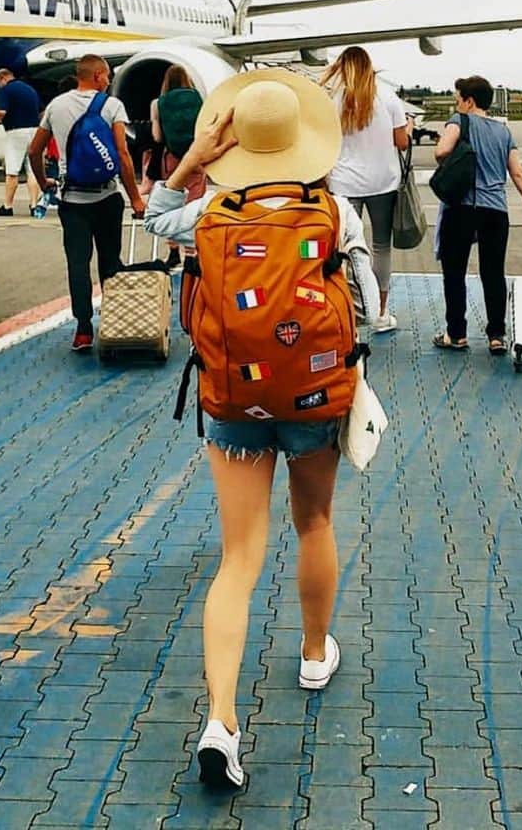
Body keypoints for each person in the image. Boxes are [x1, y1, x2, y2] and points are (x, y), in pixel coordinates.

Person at [143, 69, 379, 789]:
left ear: (234, 141)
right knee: (313, 523)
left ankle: (221, 721)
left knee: (238, 559)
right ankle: (313, 653)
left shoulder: (208, 213)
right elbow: (367, 301)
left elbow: (152, 217)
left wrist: (191, 158)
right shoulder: (336, 212)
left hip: (230, 401)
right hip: (314, 397)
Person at [28, 54, 145, 351]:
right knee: (110, 262)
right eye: (106, 76)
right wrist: (135, 198)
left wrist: (44, 183)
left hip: (72, 200)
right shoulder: (112, 106)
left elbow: (34, 151)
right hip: (107, 197)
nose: (108, 81)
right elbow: (123, 156)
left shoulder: (56, 106)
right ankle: (115, 321)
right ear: (97, 76)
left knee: (78, 265)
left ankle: (83, 328)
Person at [432, 75, 522, 354]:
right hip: (496, 209)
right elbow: (517, 172)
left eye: (458, 100)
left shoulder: (459, 121)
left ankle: (456, 334)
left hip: (463, 207)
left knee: (455, 272)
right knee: (494, 273)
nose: (456, 105)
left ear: (469, 102)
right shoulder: (504, 132)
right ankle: (497, 335)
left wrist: (451, 155)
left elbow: (441, 151)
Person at [322, 46, 410, 332]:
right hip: (383, 182)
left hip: (343, 184)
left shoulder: (333, 99)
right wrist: (407, 127)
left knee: (344, 248)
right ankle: (381, 313)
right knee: (381, 246)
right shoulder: (388, 98)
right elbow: (402, 143)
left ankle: (346, 311)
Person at [150, 64, 206, 268]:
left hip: (171, 159)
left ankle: (173, 251)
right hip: (196, 158)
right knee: (195, 205)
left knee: (172, 206)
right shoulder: (197, 98)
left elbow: (157, 136)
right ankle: (192, 253)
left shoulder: (158, 103)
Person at [0, 68, 44, 216]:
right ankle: (34, 205)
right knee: (32, 170)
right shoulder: (30, 89)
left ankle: (7, 206)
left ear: (2, 78)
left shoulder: (6, 90)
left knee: (12, 171)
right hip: (34, 131)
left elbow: (1, 112)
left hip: (16, 132)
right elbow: (42, 112)